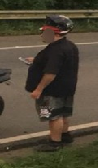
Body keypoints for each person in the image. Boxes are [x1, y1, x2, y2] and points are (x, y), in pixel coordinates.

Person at [25, 15, 79, 152]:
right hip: (66, 88)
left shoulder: (55, 50)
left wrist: (38, 89)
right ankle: (64, 135)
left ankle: (54, 142)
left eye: (44, 31)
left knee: (52, 116)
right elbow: (59, 63)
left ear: (53, 32)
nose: (42, 34)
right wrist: (36, 60)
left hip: (51, 91)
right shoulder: (68, 46)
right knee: (63, 113)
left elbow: (50, 73)